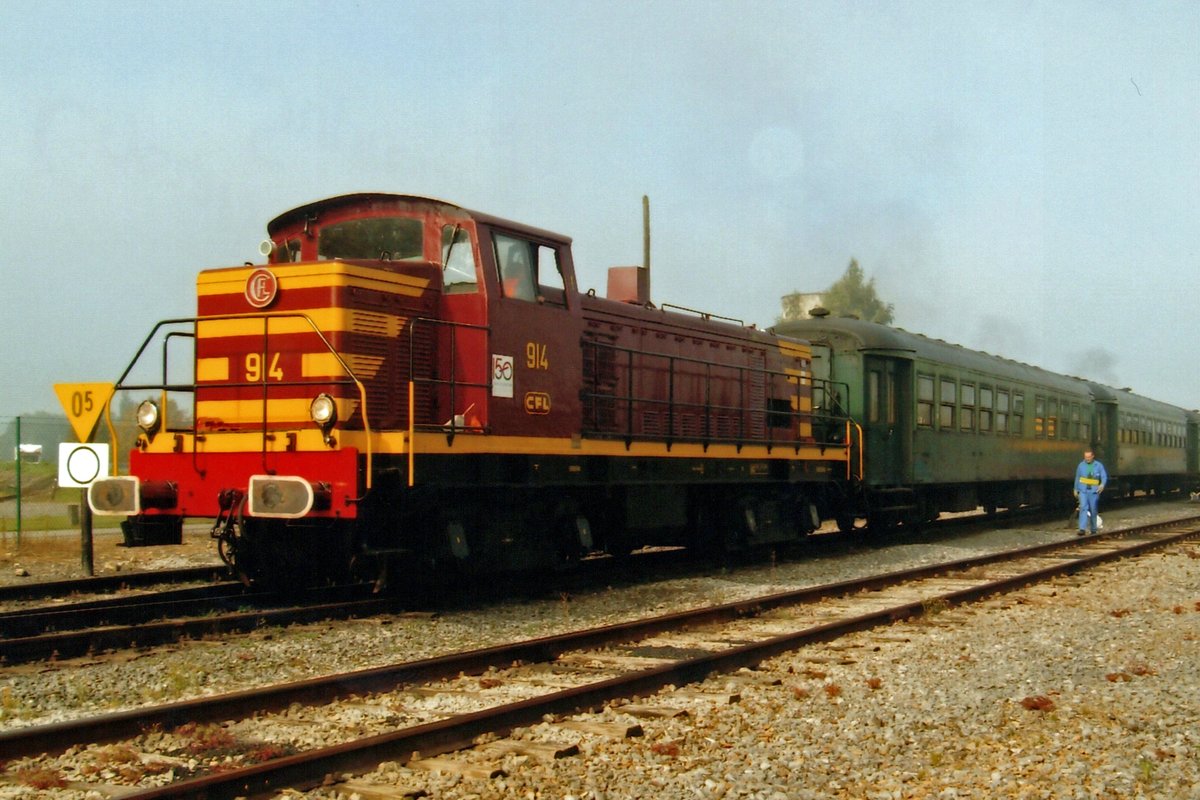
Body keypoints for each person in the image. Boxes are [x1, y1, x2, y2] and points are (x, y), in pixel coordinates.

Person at [1074, 448, 1108, 536]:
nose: (1087, 459)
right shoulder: (1081, 465)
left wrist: (1102, 485)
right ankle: (1082, 529)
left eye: (1089, 457)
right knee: (1083, 508)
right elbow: (1077, 477)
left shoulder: (1098, 465)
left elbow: (1104, 476)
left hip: (1093, 492)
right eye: (1085, 457)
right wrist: (1075, 489)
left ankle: (1093, 529)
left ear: (1092, 456)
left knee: (1093, 510)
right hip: (1083, 491)